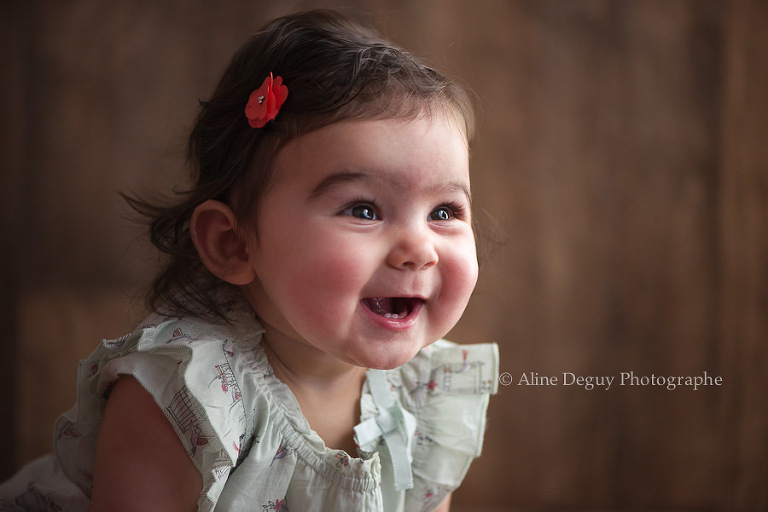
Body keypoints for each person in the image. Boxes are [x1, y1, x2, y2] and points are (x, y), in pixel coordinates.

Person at [0, 9, 498, 512]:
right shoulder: (187, 398)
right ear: (234, 245)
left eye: (444, 211)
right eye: (363, 210)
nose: (419, 249)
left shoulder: (425, 394)